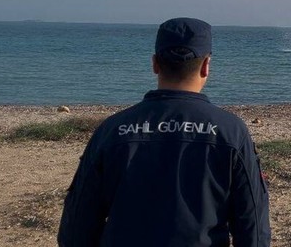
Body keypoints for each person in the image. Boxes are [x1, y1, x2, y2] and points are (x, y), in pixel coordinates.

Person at [58, 17, 271, 247]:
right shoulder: (231, 132)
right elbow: (254, 231)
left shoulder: (111, 131)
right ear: (206, 66)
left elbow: (75, 231)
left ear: (155, 64)